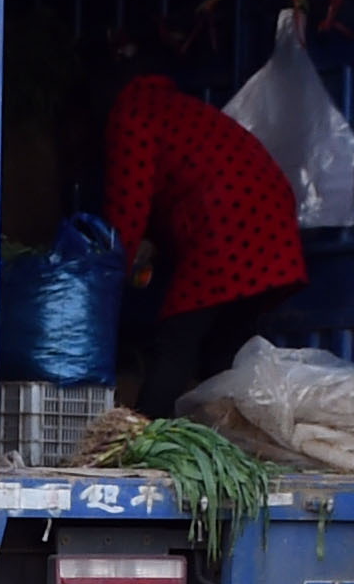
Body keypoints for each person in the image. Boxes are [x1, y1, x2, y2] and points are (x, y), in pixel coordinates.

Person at [101, 64, 308, 419]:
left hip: (231, 219)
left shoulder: (132, 115)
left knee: (177, 339)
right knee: (223, 345)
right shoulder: (170, 107)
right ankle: (229, 434)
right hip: (269, 216)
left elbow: (128, 207)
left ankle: (146, 432)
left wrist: (108, 273)